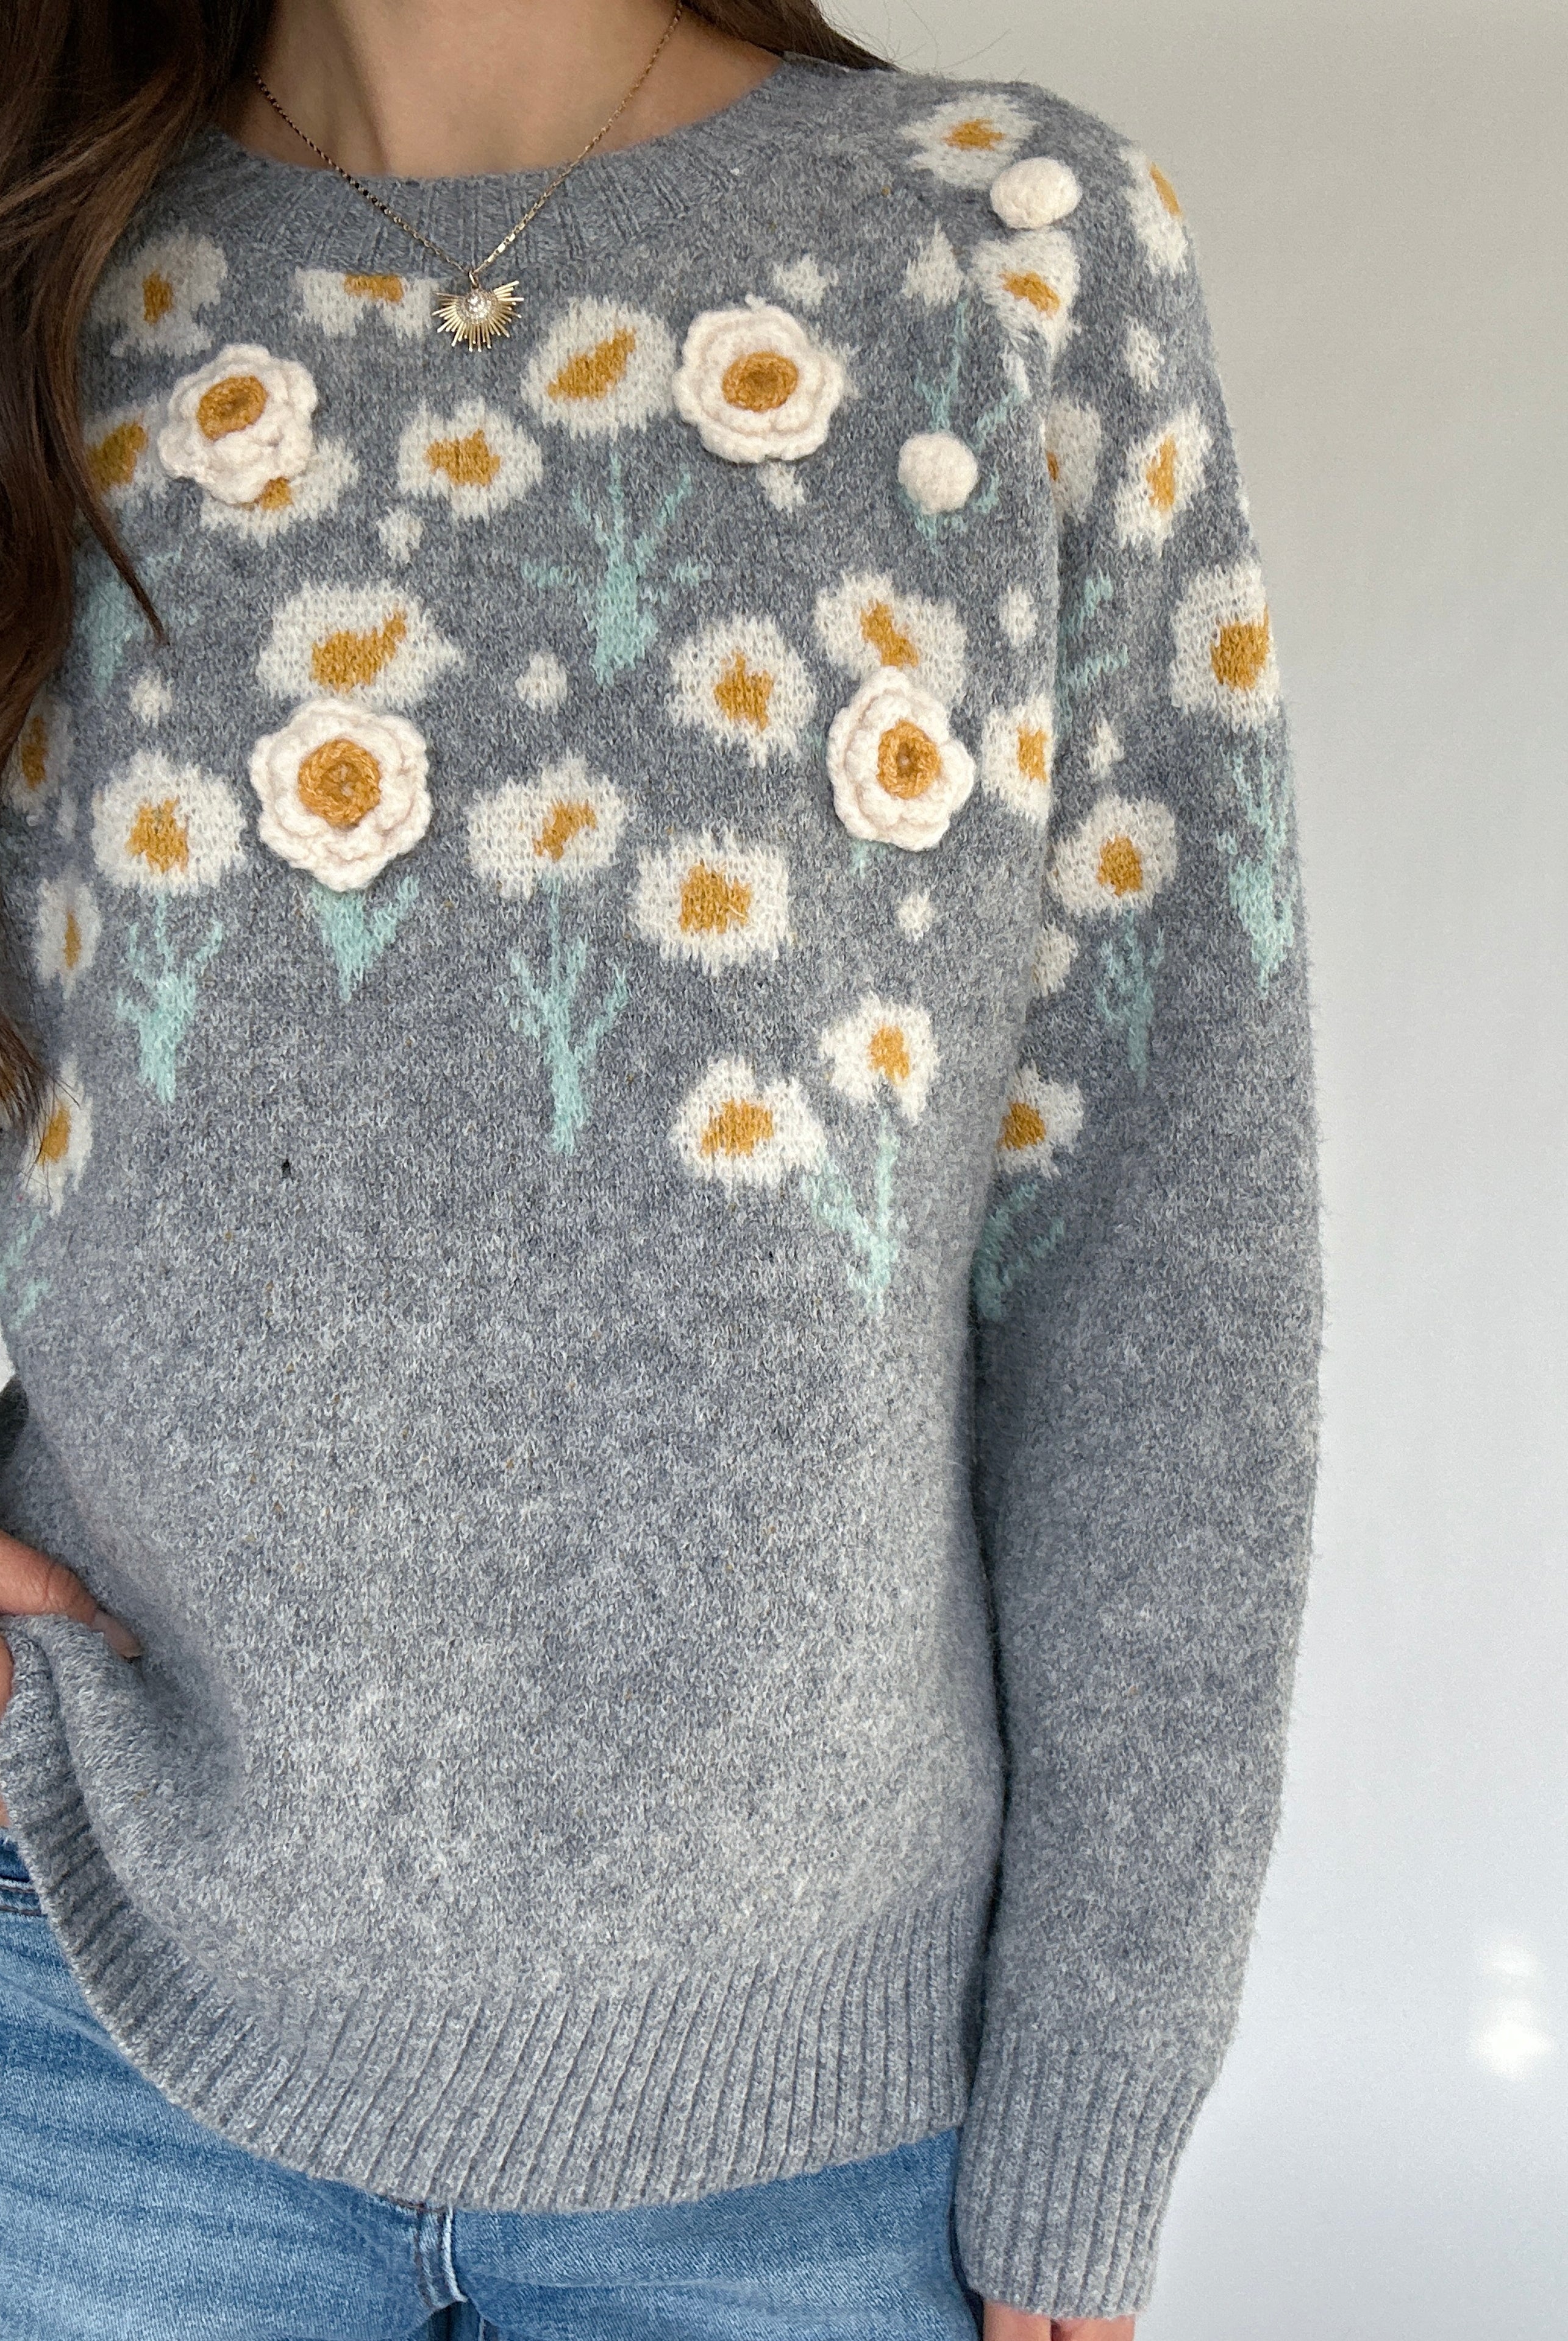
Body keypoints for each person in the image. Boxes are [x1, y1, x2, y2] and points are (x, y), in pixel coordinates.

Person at [0, 0, 1324, 2334]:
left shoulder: (1003, 257)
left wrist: (1096, 2103)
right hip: (93, 2037)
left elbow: (1164, 1252)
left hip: (815, 2136)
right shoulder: (47, 266)